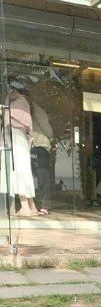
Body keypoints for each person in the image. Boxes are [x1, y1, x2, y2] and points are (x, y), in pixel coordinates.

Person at [5, 81, 38, 216]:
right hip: (21, 139)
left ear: (16, 91)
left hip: (16, 139)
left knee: (18, 171)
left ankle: (25, 207)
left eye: (12, 91)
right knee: (23, 171)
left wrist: (6, 102)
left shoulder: (19, 103)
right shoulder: (24, 103)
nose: (10, 93)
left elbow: (7, 116)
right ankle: (31, 206)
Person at [30, 100, 54, 215]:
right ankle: (42, 205)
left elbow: (46, 127)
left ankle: (45, 205)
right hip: (36, 145)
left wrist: (52, 137)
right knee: (40, 176)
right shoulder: (32, 108)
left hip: (39, 145)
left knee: (42, 176)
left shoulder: (36, 109)